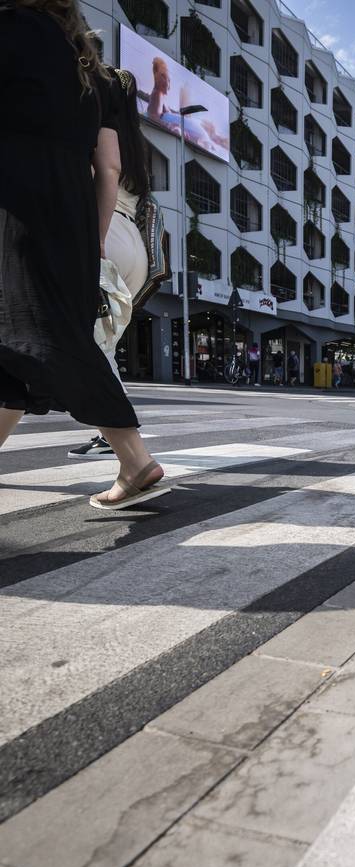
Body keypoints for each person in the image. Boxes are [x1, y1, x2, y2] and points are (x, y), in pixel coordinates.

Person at [1, 0, 167, 510]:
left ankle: (135, 458)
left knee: (42, 331)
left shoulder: (11, 31)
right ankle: (134, 458)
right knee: (20, 341)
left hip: (21, 203)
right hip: (77, 210)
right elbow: (109, 162)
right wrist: (90, 238)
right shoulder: (85, 65)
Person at [68, 67, 152, 459]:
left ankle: (123, 440)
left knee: (87, 343)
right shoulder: (137, 142)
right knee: (104, 342)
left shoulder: (99, 128)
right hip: (134, 244)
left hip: (106, 233)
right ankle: (115, 436)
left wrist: (95, 240)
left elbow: (105, 172)